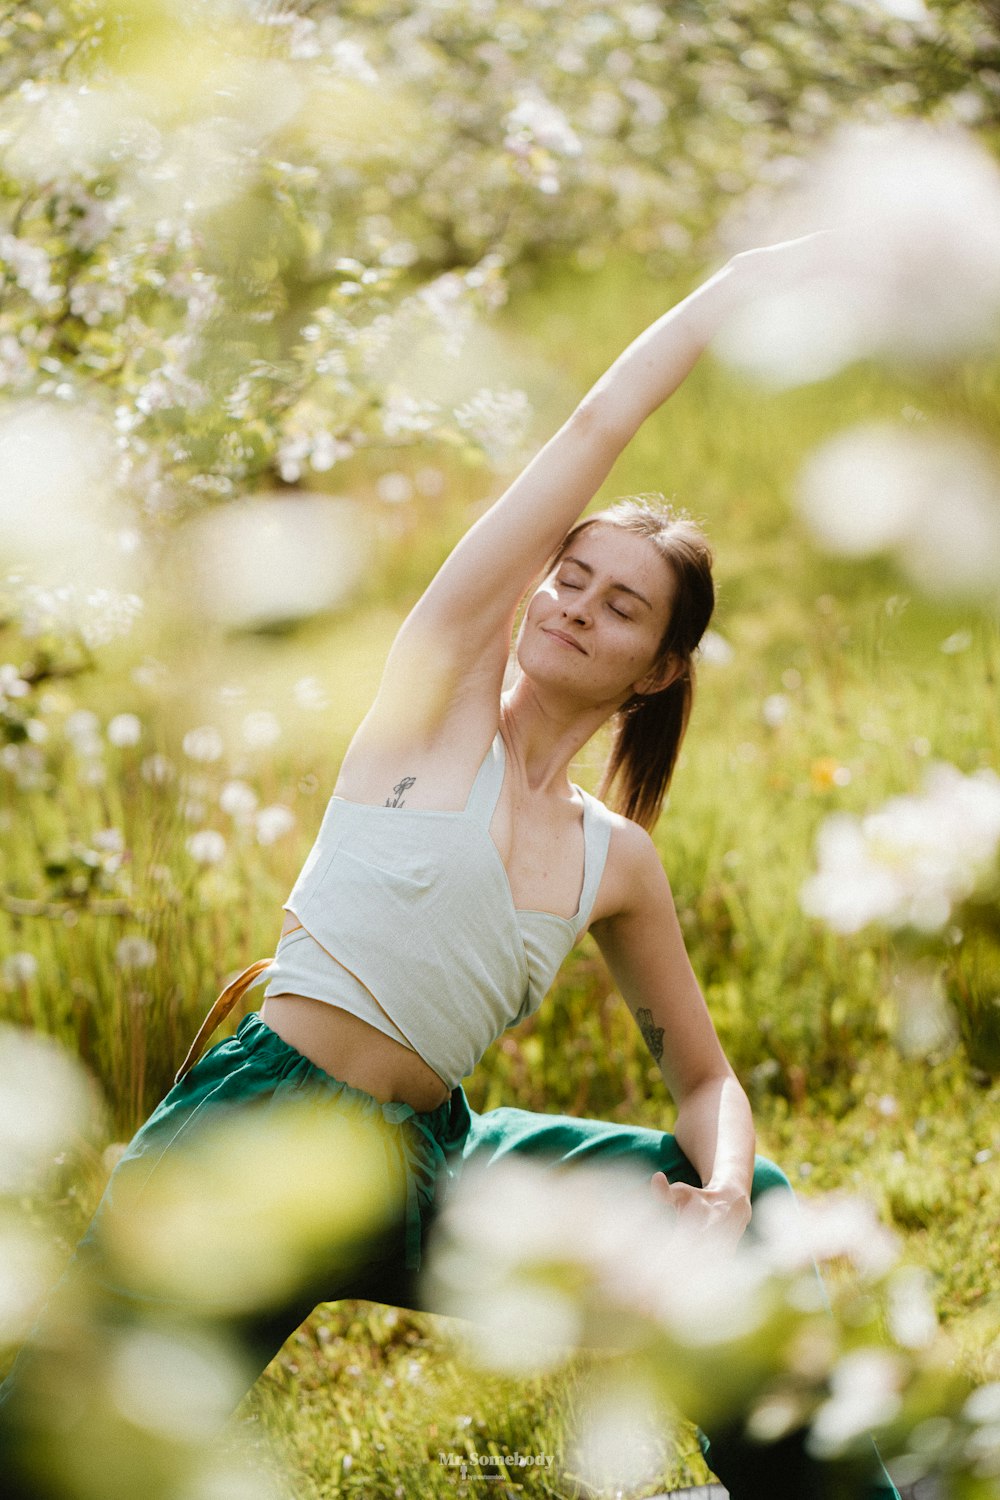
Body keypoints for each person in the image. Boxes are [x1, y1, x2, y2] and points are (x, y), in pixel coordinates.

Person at [1, 236, 901, 1499]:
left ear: (655, 672)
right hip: (263, 1129)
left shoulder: (614, 860)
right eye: (569, 577)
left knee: (745, 1209)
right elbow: (595, 422)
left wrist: (722, 1185)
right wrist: (735, 288)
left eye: (620, 605)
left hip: (435, 1160)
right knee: (53, 1449)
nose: (575, 605)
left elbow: (701, 1076)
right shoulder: (435, 702)